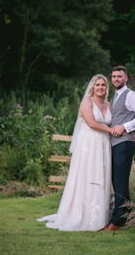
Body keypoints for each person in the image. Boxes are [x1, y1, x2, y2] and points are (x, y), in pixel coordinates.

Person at [38, 75, 114, 231]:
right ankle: (83, 215)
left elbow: (115, 121)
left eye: (103, 85)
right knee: (88, 176)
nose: (100, 87)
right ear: (93, 87)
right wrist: (111, 130)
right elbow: (92, 123)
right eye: (97, 85)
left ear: (107, 88)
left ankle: (101, 215)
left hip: (104, 145)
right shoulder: (86, 102)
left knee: (103, 176)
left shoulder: (109, 104)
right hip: (90, 144)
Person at [103, 65, 135, 231]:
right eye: (114, 76)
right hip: (116, 144)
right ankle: (129, 215)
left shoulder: (131, 95)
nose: (116, 79)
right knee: (117, 181)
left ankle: (117, 221)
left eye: (119, 76)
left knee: (120, 181)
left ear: (126, 78)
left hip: (124, 143)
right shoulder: (115, 96)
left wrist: (126, 126)